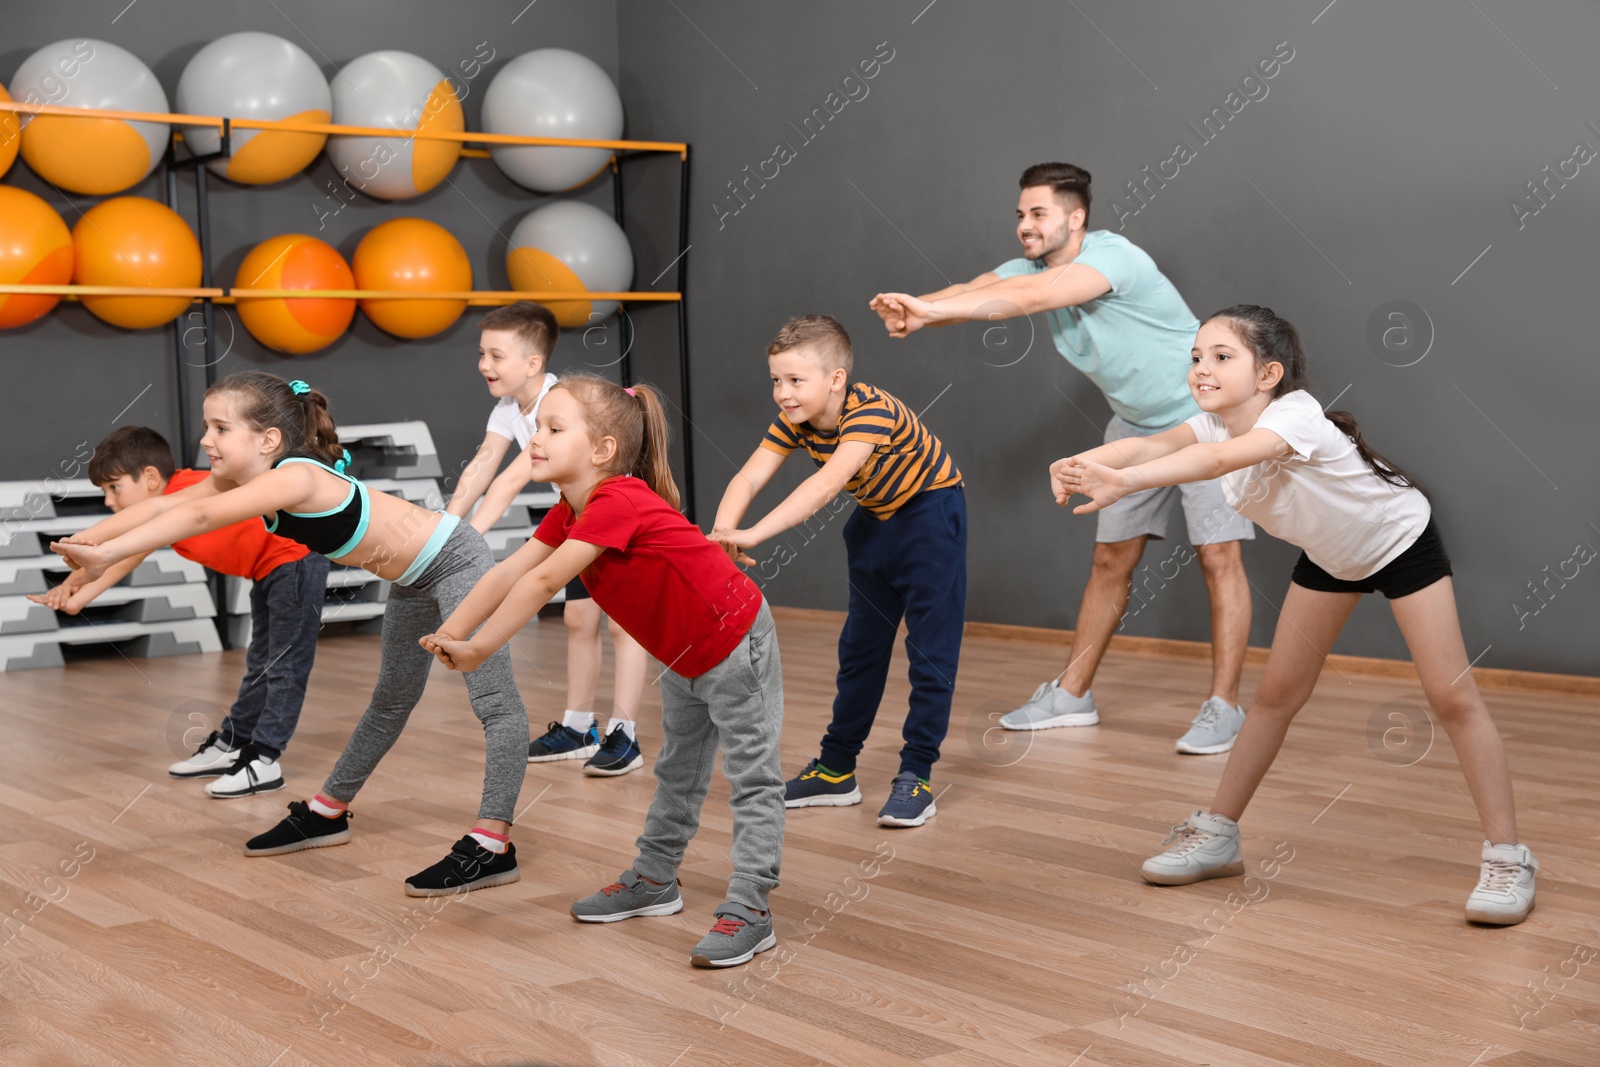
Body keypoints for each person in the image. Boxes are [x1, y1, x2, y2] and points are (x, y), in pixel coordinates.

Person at [1053, 304, 1537, 925]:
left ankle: (1508, 858)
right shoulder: (1210, 425)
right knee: (1276, 695)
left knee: (1451, 699)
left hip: (1399, 540)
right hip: (1330, 556)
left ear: (1268, 374)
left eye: (1222, 357)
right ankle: (1219, 833)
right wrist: (1083, 464)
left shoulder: (1293, 416)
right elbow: (1151, 442)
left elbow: (1220, 464)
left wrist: (1129, 482)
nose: (1202, 368)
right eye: (1197, 356)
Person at [52, 372, 529, 898]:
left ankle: (493, 843)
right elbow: (166, 505)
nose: (205, 439)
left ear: (268, 440)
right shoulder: (251, 479)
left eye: (219, 427)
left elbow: (198, 513)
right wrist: (87, 541)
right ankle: (328, 813)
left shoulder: (296, 476)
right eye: (206, 426)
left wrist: (106, 555)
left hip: (456, 560)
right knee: (391, 701)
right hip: (414, 578)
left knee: (495, 704)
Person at [870, 162, 1255, 754]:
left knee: (1219, 557)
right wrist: (916, 306)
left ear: (1075, 218)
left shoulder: (1113, 257)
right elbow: (978, 288)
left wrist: (934, 312)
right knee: (1109, 561)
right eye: (1021, 214)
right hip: (1134, 426)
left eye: (1038, 213)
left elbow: (1027, 299)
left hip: (1207, 419)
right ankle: (1073, 695)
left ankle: (1224, 706)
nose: (1025, 225)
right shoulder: (1028, 266)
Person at [420, 374, 785, 968]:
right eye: (537, 426)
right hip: (683, 650)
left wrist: (482, 647)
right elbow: (508, 571)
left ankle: (751, 909)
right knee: (678, 771)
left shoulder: (620, 499)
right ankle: (654, 880)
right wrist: (450, 632)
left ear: (602, 450)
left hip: (734, 637)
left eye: (553, 428)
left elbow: (542, 582)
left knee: (753, 777)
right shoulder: (569, 509)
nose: (535, 438)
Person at [712, 314, 965, 829]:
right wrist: (722, 534)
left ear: (836, 379)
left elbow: (827, 485)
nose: (783, 393)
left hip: (932, 515)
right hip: (875, 520)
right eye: (776, 381)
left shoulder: (871, 411)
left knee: (930, 654)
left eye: (795, 381)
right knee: (859, 651)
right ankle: (835, 770)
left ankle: (916, 774)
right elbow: (750, 473)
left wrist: (754, 535)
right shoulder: (795, 418)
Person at [30, 425, 328, 799]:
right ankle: (232, 744)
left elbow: (121, 549)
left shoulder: (189, 490)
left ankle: (265, 759)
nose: (108, 500)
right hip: (268, 569)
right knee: (260, 663)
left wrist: (81, 563)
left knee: (285, 666)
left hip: (294, 559)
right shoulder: (160, 514)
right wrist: (72, 594)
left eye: (114, 488)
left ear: (151, 478)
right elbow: (123, 558)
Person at [445, 301, 649, 777]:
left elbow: (510, 480)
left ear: (533, 363)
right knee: (579, 616)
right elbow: (483, 465)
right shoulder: (507, 410)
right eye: (481, 353)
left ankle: (626, 733)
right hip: (576, 517)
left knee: (624, 624)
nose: (484, 365)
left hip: (617, 515)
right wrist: (452, 524)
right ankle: (580, 727)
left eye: (496, 355)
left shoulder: (561, 401)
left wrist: (465, 533)